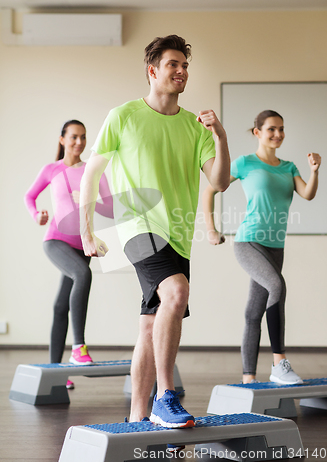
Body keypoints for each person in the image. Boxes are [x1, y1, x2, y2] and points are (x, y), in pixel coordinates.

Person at [79, 35, 230, 427]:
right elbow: (91, 173)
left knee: (151, 323)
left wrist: (221, 137)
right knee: (177, 292)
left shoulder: (194, 126)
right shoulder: (124, 115)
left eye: (185, 66)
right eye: (173, 65)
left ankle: (135, 418)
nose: (181, 72)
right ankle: (166, 396)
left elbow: (221, 180)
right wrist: (87, 231)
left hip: (177, 233)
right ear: (153, 71)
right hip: (136, 225)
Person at [203, 110, 321, 385]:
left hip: (275, 246)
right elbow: (210, 189)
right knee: (276, 286)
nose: (278, 134)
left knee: (253, 312)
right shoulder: (245, 163)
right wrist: (211, 229)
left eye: (281, 129)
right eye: (271, 129)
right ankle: (279, 363)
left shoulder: (289, 167)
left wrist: (314, 172)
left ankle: (249, 380)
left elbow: (307, 194)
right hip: (249, 241)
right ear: (257, 132)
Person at [24, 120, 113, 388]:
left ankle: (55, 374)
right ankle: (78, 348)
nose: (79, 142)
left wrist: (90, 202)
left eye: (83, 137)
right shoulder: (51, 170)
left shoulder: (92, 171)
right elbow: (29, 197)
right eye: (74, 137)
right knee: (82, 274)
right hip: (55, 240)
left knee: (61, 305)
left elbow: (110, 208)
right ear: (62, 139)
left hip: (82, 243)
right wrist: (36, 215)